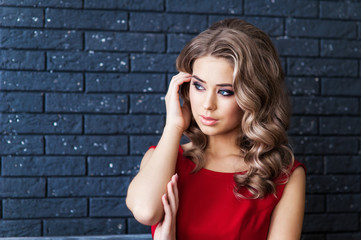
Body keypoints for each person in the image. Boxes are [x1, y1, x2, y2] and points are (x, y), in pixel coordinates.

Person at [126, 18, 306, 240]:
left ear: (254, 97)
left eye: (225, 92)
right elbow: (146, 212)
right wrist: (173, 125)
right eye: (199, 86)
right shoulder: (162, 159)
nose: (207, 104)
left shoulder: (284, 176)